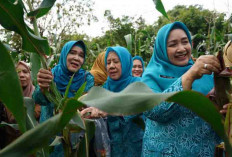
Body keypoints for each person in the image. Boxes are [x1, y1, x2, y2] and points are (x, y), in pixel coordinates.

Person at [141, 21, 221, 156]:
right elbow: (153, 110)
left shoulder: (206, 73)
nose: (182, 48)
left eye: (185, 42)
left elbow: (218, 109)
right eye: (173, 44)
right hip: (166, 153)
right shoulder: (150, 77)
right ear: (161, 49)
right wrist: (189, 76)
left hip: (205, 151)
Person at [33, 40, 94, 156]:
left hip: (76, 139)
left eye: (81, 55)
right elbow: (38, 98)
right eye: (72, 53)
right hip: (51, 137)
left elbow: (86, 103)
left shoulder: (87, 78)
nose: (76, 58)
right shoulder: (51, 74)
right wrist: (42, 87)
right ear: (64, 54)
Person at [82, 46, 144, 157]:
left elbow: (138, 104)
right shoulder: (106, 87)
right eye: (108, 62)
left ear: (125, 63)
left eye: (116, 61)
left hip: (136, 147)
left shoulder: (138, 83)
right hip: (115, 148)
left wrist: (109, 109)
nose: (111, 66)